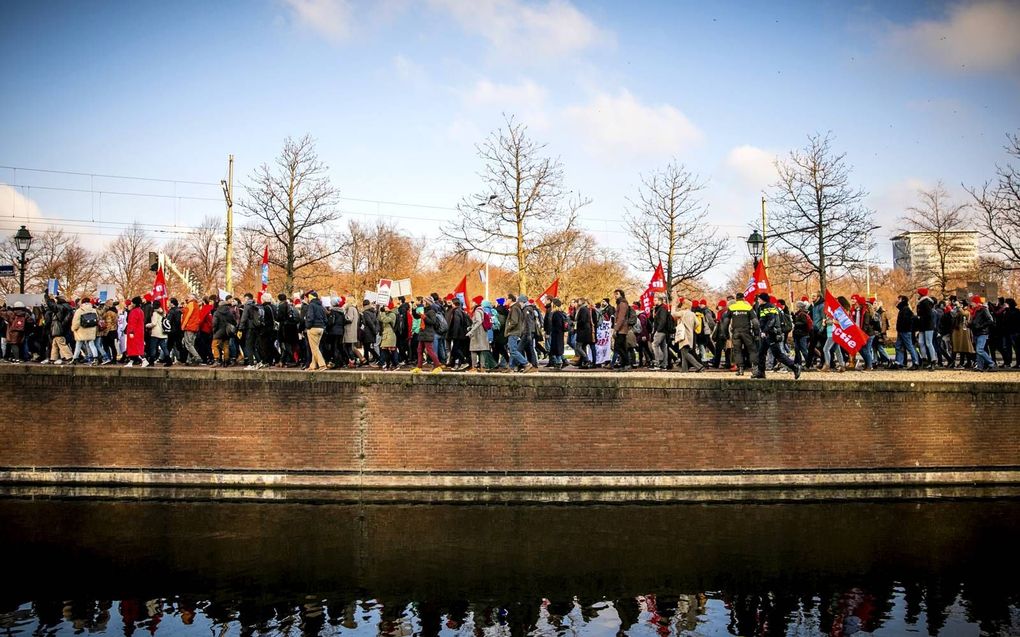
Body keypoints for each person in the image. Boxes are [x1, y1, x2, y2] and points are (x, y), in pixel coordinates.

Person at [753, 293, 801, 379]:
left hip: (771, 334)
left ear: (763, 300)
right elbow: (763, 320)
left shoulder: (770, 307)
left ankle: (795, 367)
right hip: (766, 334)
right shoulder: (762, 307)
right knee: (761, 353)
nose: (758, 300)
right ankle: (761, 372)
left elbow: (771, 320)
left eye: (759, 299)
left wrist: (765, 330)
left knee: (777, 354)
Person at [720, 292, 759, 376]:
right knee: (752, 350)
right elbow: (755, 322)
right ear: (743, 298)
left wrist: (726, 334)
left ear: (736, 299)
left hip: (736, 332)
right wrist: (756, 334)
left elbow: (725, 323)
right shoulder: (748, 307)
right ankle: (755, 369)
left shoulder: (732, 307)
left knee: (737, 351)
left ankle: (740, 369)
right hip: (746, 332)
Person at [672, 298, 705, 373]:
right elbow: (697, 324)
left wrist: (673, 307)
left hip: (683, 335)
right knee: (684, 352)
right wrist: (690, 327)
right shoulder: (692, 314)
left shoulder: (682, 312)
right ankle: (684, 370)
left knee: (685, 353)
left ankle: (699, 366)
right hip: (690, 335)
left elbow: (673, 314)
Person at [412, 304, 443, 373]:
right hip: (422, 333)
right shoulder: (424, 311)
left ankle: (438, 366)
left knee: (429, 350)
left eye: (425, 301)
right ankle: (419, 367)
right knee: (419, 350)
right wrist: (414, 310)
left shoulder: (431, 311)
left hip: (428, 333)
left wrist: (424, 317)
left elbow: (432, 322)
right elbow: (416, 317)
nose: (423, 303)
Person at [893, 295, 921, 370]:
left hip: (904, 331)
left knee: (909, 347)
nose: (897, 301)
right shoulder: (904, 309)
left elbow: (907, 321)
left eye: (899, 299)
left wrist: (903, 329)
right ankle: (898, 362)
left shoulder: (905, 309)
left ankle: (915, 362)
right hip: (902, 331)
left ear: (902, 300)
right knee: (898, 346)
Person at [969, 295, 996, 372]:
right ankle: (980, 367)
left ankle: (992, 364)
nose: (971, 303)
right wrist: (969, 325)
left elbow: (990, 320)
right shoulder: (974, 311)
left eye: (973, 302)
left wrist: (980, 326)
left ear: (977, 302)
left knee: (979, 350)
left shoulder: (983, 309)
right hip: (976, 332)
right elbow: (975, 322)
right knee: (979, 351)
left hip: (983, 332)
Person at [70, 298, 100, 365]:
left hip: (81, 331)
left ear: (82, 303)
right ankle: (96, 358)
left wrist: (73, 329)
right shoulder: (94, 310)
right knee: (92, 345)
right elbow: (96, 320)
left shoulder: (79, 310)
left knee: (78, 345)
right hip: (91, 331)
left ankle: (75, 358)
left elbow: (76, 322)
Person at [303, 291, 327, 371]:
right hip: (321, 328)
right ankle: (313, 365)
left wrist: (307, 326)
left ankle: (322, 364)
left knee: (314, 348)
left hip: (313, 328)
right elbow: (325, 319)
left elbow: (310, 317)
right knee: (315, 347)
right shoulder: (321, 306)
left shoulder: (311, 305)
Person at [466, 298, 490, 372]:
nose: (471, 303)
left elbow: (478, 321)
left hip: (477, 333)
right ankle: (482, 367)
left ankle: (474, 368)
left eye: (473, 302)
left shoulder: (477, 311)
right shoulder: (482, 310)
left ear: (476, 303)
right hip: (482, 332)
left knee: (473, 350)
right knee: (481, 350)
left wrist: (471, 331)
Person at [612, 289, 633, 371]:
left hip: (622, 329)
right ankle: (624, 364)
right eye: (615, 294)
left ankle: (627, 363)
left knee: (618, 346)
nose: (615, 296)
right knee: (622, 347)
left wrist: (616, 329)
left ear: (621, 294)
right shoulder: (620, 303)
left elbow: (621, 317)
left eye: (617, 294)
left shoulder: (622, 303)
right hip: (621, 328)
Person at [211, 299, 235, 366]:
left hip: (218, 332)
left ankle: (217, 359)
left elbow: (214, 323)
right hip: (227, 332)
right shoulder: (229, 313)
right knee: (226, 346)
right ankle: (226, 361)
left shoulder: (217, 312)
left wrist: (214, 330)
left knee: (214, 345)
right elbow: (234, 322)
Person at [180, 294, 203, 365]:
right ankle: (188, 360)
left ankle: (197, 357)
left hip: (189, 326)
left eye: (189, 297)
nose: (187, 298)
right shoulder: (196, 305)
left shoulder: (190, 304)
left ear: (192, 298)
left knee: (188, 344)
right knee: (191, 344)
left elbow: (187, 316)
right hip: (195, 327)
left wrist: (183, 326)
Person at [124, 297, 146, 367]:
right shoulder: (140, 311)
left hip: (134, 332)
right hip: (139, 331)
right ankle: (132, 361)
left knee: (134, 347)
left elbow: (132, 323)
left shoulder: (134, 311)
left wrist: (131, 332)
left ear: (134, 303)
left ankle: (143, 360)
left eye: (132, 303)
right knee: (137, 347)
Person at [378, 302, 398, 370]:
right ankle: (387, 364)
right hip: (386, 334)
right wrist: (379, 310)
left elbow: (385, 320)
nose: (385, 308)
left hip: (390, 334)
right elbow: (380, 319)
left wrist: (383, 312)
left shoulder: (392, 314)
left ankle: (395, 364)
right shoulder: (386, 314)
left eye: (386, 306)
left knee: (392, 349)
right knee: (385, 350)